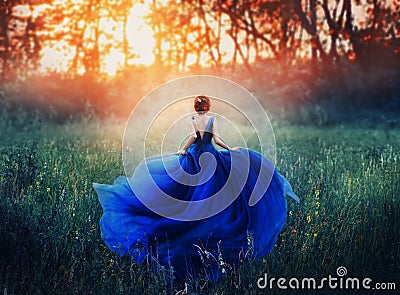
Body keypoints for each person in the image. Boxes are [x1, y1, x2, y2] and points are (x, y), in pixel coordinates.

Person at [93, 95, 299, 284]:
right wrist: (229, 149)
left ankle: (188, 221)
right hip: (210, 154)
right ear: (208, 107)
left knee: (190, 190)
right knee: (213, 190)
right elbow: (216, 140)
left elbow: (194, 136)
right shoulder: (211, 119)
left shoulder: (192, 119)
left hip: (195, 155)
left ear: (195, 107)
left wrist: (184, 149)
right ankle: (207, 223)